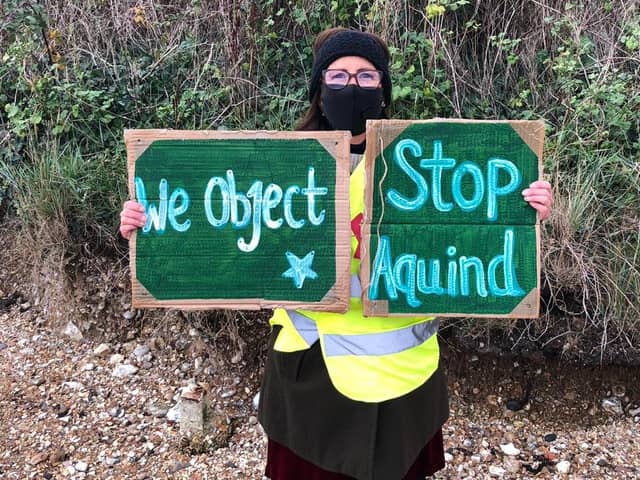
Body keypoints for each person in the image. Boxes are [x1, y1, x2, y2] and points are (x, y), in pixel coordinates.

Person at [119, 27, 553, 480]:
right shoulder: (282, 164)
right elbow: (226, 242)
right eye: (339, 74)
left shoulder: (421, 160)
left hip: (405, 383)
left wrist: (521, 213)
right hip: (312, 377)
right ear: (318, 87)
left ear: (383, 90)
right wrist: (153, 227)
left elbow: (468, 236)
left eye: (367, 77)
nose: (353, 86)